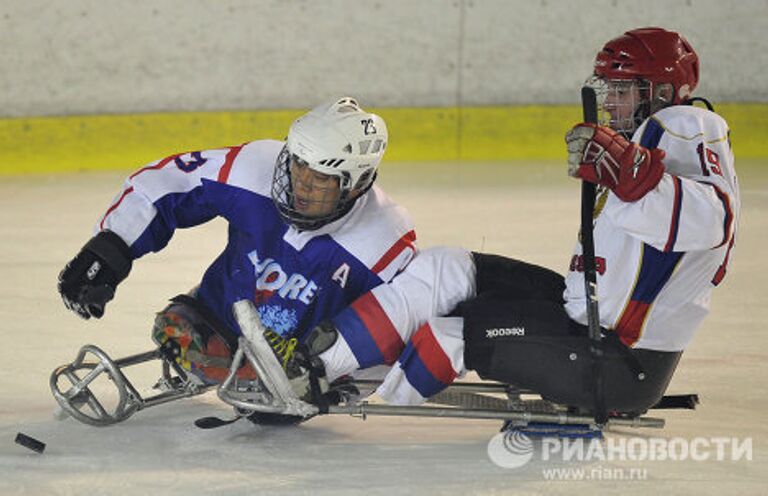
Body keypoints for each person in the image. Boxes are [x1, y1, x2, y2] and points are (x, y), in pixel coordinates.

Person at [288, 27, 740, 415]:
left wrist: (633, 175)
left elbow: (715, 222)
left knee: (446, 337)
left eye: (623, 91)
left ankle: (325, 387)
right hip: (585, 322)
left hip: (618, 363)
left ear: (661, 93)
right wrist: (633, 173)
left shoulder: (685, 124)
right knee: (447, 267)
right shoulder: (647, 142)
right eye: (610, 90)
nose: (612, 104)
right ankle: (314, 362)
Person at [57, 97, 418, 395]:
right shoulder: (256, 166)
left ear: (356, 184)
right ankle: (246, 377)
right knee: (175, 329)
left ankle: (269, 379)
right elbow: (173, 180)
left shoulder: (385, 237)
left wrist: (326, 373)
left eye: (321, 176)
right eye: (298, 164)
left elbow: (400, 323)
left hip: (302, 360)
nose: (301, 183)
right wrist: (111, 246)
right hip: (221, 316)